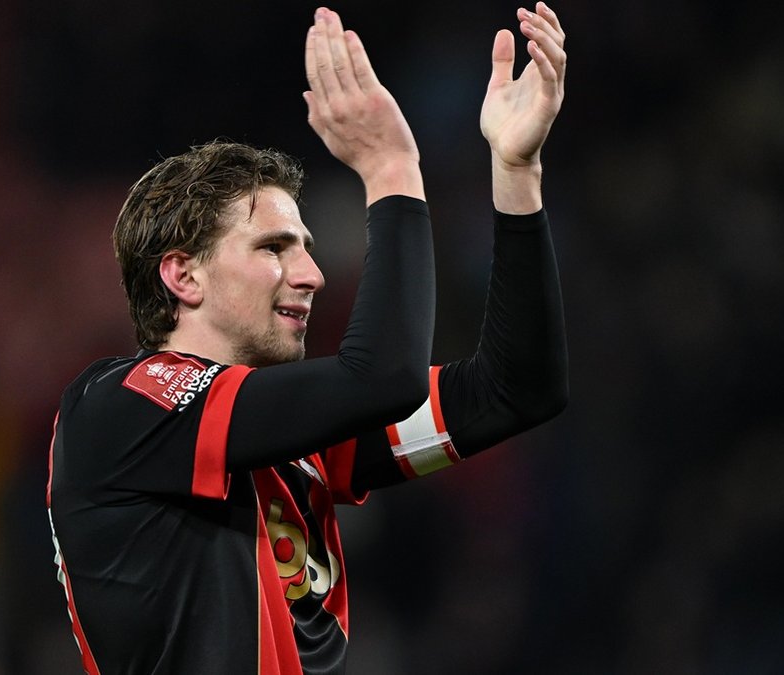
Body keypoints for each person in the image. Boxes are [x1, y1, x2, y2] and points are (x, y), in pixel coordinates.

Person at [47, 4, 568, 673]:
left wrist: (517, 172)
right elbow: (382, 377)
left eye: (307, 248)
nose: (312, 275)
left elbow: (515, 389)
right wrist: (390, 168)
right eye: (274, 247)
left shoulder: (298, 442)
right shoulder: (119, 406)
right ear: (183, 274)